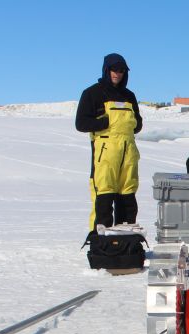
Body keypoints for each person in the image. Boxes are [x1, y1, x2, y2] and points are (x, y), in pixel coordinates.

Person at [75, 53, 143, 231]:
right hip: (105, 154)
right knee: (104, 197)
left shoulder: (129, 96)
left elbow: (138, 123)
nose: (118, 74)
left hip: (128, 153)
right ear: (106, 70)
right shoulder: (92, 93)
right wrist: (102, 123)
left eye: (121, 70)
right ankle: (100, 243)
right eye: (114, 69)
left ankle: (126, 241)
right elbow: (81, 123)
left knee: (128, 196)